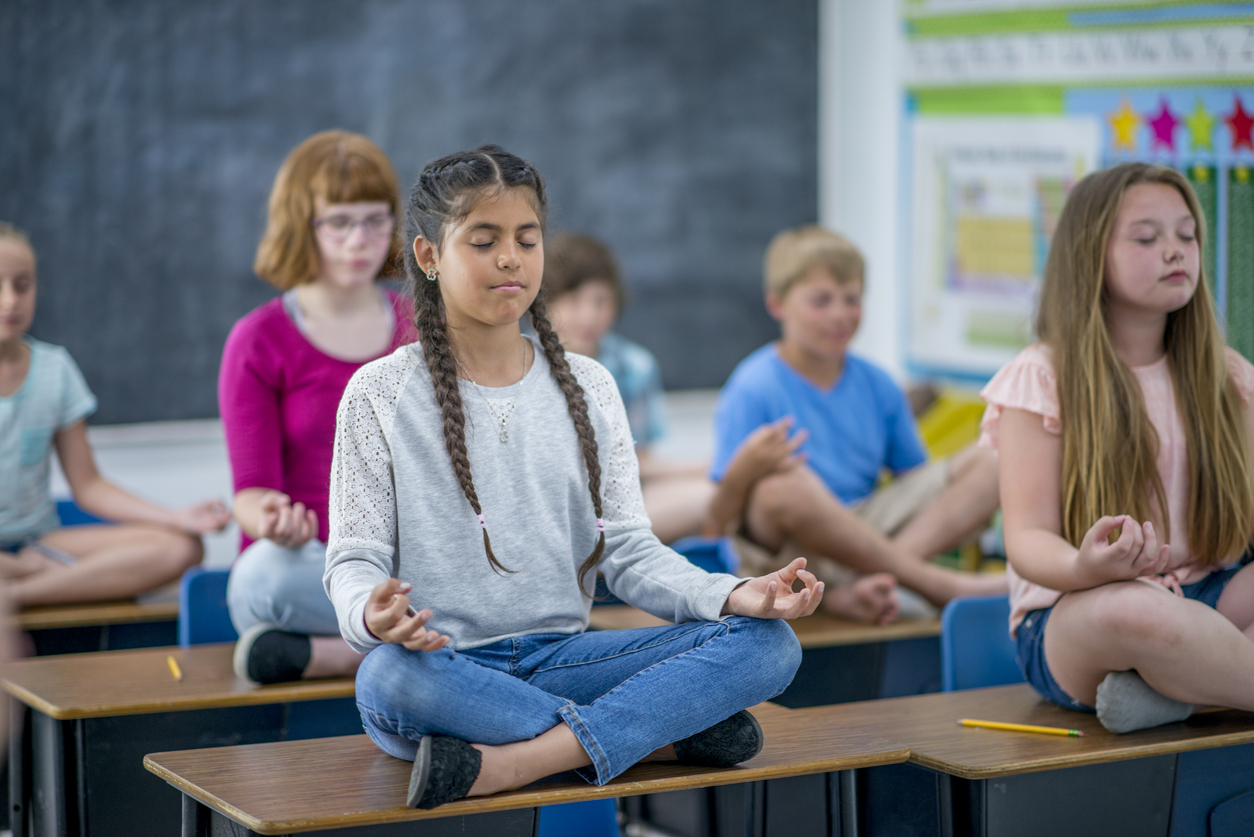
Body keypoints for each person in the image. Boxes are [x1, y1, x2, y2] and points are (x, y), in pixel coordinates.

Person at [325, 145, 820, 810]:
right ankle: (653, 735)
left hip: (566, 656)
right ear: (428, 256)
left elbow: (630, 553)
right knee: (386, 678)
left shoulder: (588, 385)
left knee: (769, 645)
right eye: (484, 240)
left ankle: (518, 761)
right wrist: (369, 613)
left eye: (527, 240)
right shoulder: (378, 392)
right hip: (443, 667)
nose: (510, 258)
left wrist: (735, 594)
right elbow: (353, 558)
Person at [982, 162, 1254, 733]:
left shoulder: (1229, 377)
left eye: (1187, 235)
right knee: (1139, 610)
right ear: (1090, 256)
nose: (1176, 251)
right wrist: (1085, 566)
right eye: (1147, 237)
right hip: (1079, 614)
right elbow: (1027, 539)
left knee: (1177, 622)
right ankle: (1193, 681)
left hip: (1215, 592)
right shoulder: (1041, 377)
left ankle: (1174, 691)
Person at [709, 225, 1006, 621]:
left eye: (851, 298)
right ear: (778, 305)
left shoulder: (878, 384)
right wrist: (742, 471)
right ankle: (934, 584)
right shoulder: (753, 386)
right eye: (821, 300)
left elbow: (919, 484)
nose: (839, 314)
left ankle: (877, 580)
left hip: (865, 536)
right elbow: (715, 524)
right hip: (788, 558)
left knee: (995, 458)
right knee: (781, 487)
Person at [219, 131, 415, 685]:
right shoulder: (258, 340)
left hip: (407, 561)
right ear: (301, 225)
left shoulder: (421, 327)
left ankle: (334, 657)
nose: (361, 240)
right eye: (339, 222)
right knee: (260, 578)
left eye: (376, 220)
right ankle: (432, 644)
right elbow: (252, 495)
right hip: (312, 565)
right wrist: (274, 523)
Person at [0, 222, 230, 606]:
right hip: (34, 557)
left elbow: (88, 485)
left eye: (22, 285)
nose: (10, 300)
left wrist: (176, 517)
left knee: (183, 548)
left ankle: (18, 590)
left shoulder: (54, 370)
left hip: (38, 545)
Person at [543, 233, 713, 543]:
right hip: (552, 508)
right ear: (544, 302)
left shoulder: (634, 366)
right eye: (573, 300)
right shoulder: (523, 364)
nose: (588, 315)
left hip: (619, 503)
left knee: (712, 492)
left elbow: (640, 463)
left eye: (600, 301)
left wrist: (705, 468)